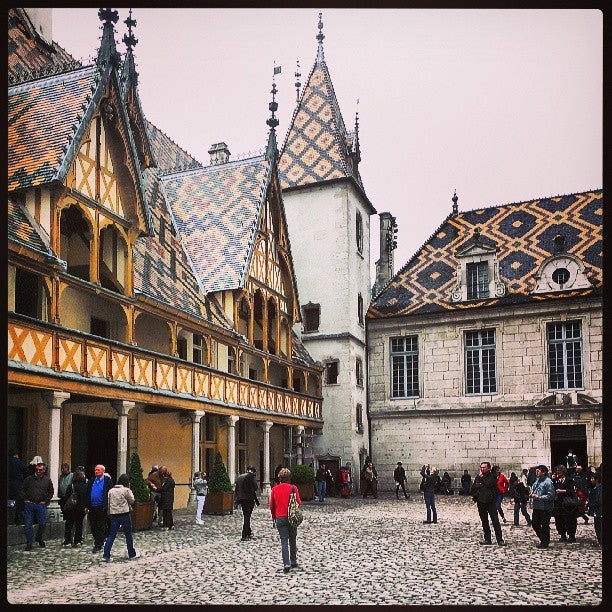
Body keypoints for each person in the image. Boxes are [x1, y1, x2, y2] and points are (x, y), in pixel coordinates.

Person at [269, 467, 302, 573]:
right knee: (293, 540)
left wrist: (274, 517)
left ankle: (286, 564)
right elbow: (298, 502)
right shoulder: (293, 488)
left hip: (280, 517)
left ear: (280, 478)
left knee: (284, 541)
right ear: (289, 478)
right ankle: (293, 561)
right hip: (291, 517)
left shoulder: (274, 489)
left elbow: (272, 505)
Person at [103, 474, 137, 561]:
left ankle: (106, 555)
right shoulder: (125, 490)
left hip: (114, 515)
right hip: (124, 514)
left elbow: (109, 502)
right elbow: (132, 500)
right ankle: (131, 553)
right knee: (128, 535)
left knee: (112, 535)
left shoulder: (111, 491)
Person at [470, 461, 506, 546]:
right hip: (481, 502)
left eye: (484, 467)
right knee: (484, 521)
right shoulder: (478, 477)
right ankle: (487, 539)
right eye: (481, 467)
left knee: (495, 521)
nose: (482, 469)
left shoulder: (493, 476)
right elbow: (473, 488)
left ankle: (500, 539)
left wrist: (480, 483)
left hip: (490, 502)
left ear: (488, 468)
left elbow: (488, 484)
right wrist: (479, 484)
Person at [21, 461, 54, 551]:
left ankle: (39, 537)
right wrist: (25, 499)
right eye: (37, 470)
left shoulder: (47, 480)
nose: (38, 471)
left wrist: (46, 501)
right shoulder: (29, 479)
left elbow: (51, 492)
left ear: (43, 470)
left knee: (42, 524)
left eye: (40, 470)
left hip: (40, 504)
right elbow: (22, 490)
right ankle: (30, 542)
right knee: (28, 525)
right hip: (30, 504)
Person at [86, 464, 114, 553]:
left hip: (102, 507)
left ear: (103, 471)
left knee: (100, 526)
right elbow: (87, 493)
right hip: (92, 506)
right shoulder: (92, 480)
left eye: (98, 470)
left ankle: (98, 544)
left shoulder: (107, 481)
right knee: (93, 526)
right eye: (95, 470)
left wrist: (109, 507)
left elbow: (110, 494)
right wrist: (86, 505)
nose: (96, 471)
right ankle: (98, 540)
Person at [529, 464, 555, 549]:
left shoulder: (548, 482)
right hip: (537, 506)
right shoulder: (537, 481)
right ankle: (543, 539)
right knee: (535, 524)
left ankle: (545, 542)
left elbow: (551, 495)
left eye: (538, 471)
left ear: (543, 472)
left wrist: (539, 497)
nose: (536, 472)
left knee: (545, 525)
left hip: (545, 507)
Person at [552, 464, 578, 543]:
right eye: (557, 471)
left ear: (563, 471)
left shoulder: (569, 480)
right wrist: (552, 480)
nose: (558, 472)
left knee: (570, 520)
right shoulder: (555, 480)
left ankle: (571, 535)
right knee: (559, 520)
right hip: (558, 504)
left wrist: (563, 491)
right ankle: (562, 535)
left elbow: (572, 491)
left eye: (559, 471)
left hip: (567, 503)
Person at [62, 469, 88, 547]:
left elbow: (66, 497)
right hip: (81, 509)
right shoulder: (86, 486)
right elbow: (87, 498)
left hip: (71, 509)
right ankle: (78, 541)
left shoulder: (71, 486)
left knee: (69, 525)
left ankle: (68, 541)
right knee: (79, 525)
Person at [235, 466, 260, 541]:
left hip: (242, 499)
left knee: (246, 516)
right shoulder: (251, 477)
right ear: (253, 471)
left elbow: (236, 489)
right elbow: (256, 487)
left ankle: (248, 532)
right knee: (247, 517)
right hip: (249, 499)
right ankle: (244, 534)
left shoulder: (240, 477)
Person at [8, 449, 28, 525]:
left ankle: (9, 519)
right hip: (17, 487)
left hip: (8, 487)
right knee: (18, 504)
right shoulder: (18, 462)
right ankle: (18, 520)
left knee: (9, 504)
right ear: (16, 455)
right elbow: (26, 471)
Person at [586, 472, 602, 547]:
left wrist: (589, 504)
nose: (591, 480)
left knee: (599, 527)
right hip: (596, 511)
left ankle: (601, 542)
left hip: (599, 511)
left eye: (592, 478)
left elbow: (598, 501)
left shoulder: (599, 488)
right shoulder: (595, 488)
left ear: (597, 479)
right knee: (597, 527)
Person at [159, 465, 175, 530]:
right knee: (168, 512)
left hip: (167, 498)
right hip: (169, 498)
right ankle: (171, 524)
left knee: (166, 512)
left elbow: (164, 488)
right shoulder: (171, 480)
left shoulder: (169, 481)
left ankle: (166, 526)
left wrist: (157, 489)